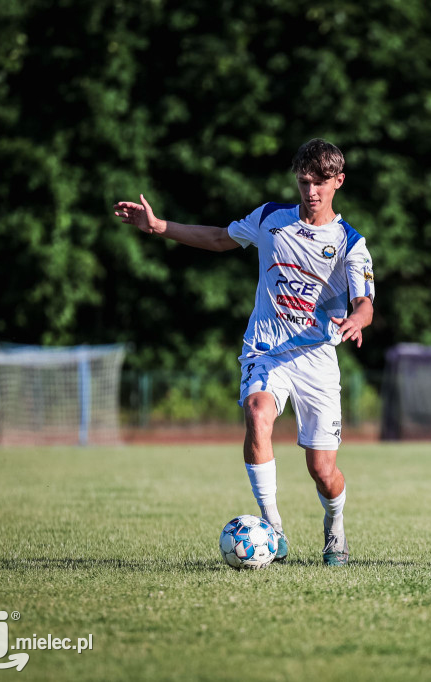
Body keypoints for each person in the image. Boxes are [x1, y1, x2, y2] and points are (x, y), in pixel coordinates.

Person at [113, 139, 375, 566]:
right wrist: (159, 226)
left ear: (338, 182)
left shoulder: (350, 243)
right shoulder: (271, 218)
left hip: (316, 361)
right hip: (266, 349)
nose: (311, 191)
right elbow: (218, 238)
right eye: (304, 181)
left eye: (321, 182)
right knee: (257, 411)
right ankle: (274, 530)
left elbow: (364, 302)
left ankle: (335, 528)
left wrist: (356, 320)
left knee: (323, 472)